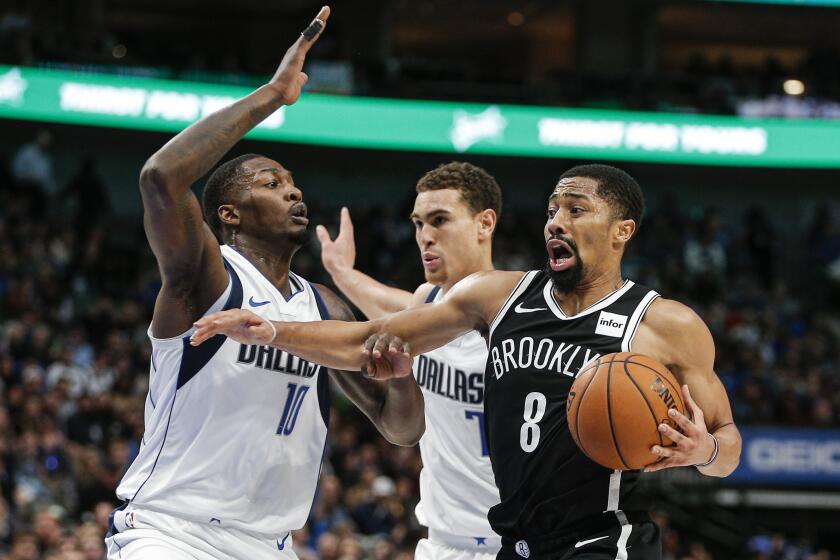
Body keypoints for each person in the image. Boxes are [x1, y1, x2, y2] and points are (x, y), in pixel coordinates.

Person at [191, 163, 743, 560]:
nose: (556, 221)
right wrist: (270, 329)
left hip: (604, 539)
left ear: (623, 231)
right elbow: (376, 336)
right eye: (552, 209)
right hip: (514, 542)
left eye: (576, 210)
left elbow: (727, 448)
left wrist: (706, 449)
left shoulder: (664, 324)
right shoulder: (497, 296)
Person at [105, 7, 424, 560]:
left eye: (295, 184)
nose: (293, 194)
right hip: (172, 535)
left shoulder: (323, 306)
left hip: (270, 546)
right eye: (272, 183)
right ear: (228, 214)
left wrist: (401, 380)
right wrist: (274, 96)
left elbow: (400, 430)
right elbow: (160, 177)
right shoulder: (207, 278)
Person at [317, 162, 503, 559]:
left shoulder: (526, 316)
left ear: (484, 223)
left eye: (439, 221)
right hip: (442, 544)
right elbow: (388, 308)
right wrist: (341, 272)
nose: (424, 237)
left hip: (520, 545)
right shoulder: (427, 302)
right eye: (419, 224)